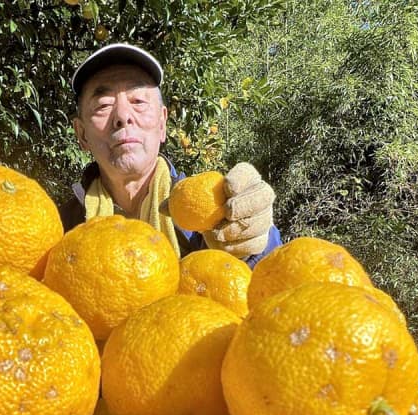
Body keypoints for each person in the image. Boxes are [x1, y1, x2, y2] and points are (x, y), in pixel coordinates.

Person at [59, 43, 282, 267]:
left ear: (162, 123)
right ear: (82, 134)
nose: (123, 116)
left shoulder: (207, 210)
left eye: (138, 101)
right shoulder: (61, 230)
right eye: (103, 105)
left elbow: (270, 276)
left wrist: (253, 242)